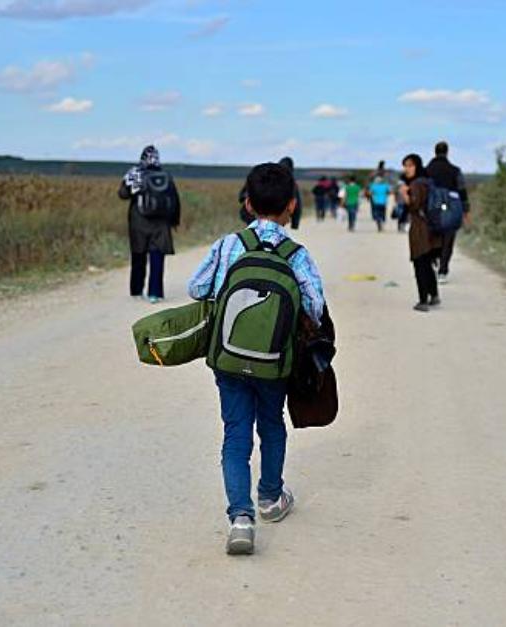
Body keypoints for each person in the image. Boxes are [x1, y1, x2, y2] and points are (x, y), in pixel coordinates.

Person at [187, 162, 326, 555]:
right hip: (274, 361)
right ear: (292, 207)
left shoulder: (229, 244)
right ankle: (270, 497)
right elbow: (315, 308)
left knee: (235, 435)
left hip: (228, 359)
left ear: (247, 204)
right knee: (271, 424)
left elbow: (196, 287)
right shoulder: (296, 253)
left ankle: (241, 519)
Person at [118, 145, 180, 304]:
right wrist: (173, 221)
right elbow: (174, 200)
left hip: (139, 222)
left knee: (138, 256)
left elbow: (123, 194)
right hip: (161, 224)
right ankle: (155, 293)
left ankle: (136, 290)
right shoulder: (165, 175)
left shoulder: (136, 173)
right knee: (157, 257)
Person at [425, 141, 470, 284]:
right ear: (447, 152)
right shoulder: (455, 170)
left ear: (435, 152)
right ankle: (443, 271)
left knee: (431, 235)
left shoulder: (426, 170)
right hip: (449, 206)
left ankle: (433, 260)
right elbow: (462, 190)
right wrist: (465, 210)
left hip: (434, 206)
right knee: (448, 238)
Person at [402, 154, 442, 312]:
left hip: (420, 229)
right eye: (405, 166)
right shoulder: (428, 182)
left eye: (410, 165)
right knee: (427, 263)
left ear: (417, 166)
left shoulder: (416, 185)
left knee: (420, 264)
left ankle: (423, 300)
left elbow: (413, 205)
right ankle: (434, 295)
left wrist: (405, 194)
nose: (407, 169)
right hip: (432, 229)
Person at [278, 156, 302, 230]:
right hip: (280, 217)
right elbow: (297, 204)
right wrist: (295, 223)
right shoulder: (292, 182)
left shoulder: (268, 177)